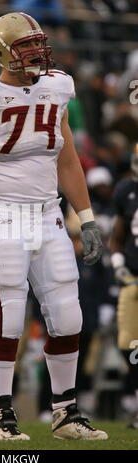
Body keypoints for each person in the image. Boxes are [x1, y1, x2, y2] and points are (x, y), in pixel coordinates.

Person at [0, 12, 108, 440]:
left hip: (49, 213)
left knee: (68, 313)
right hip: (4, 214)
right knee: (6, 319)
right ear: (2, 52)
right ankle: (1, 415)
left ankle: (65, 412)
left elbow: (66, 158)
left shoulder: (58, 86)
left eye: (38, 43)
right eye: (26, 46)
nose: (37, 53)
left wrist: (88, 218)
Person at [110, 143, 138, 429]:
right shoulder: (126, 190)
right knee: (127, 344)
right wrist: (118, 263)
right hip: (133, 279)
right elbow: (117, 235)